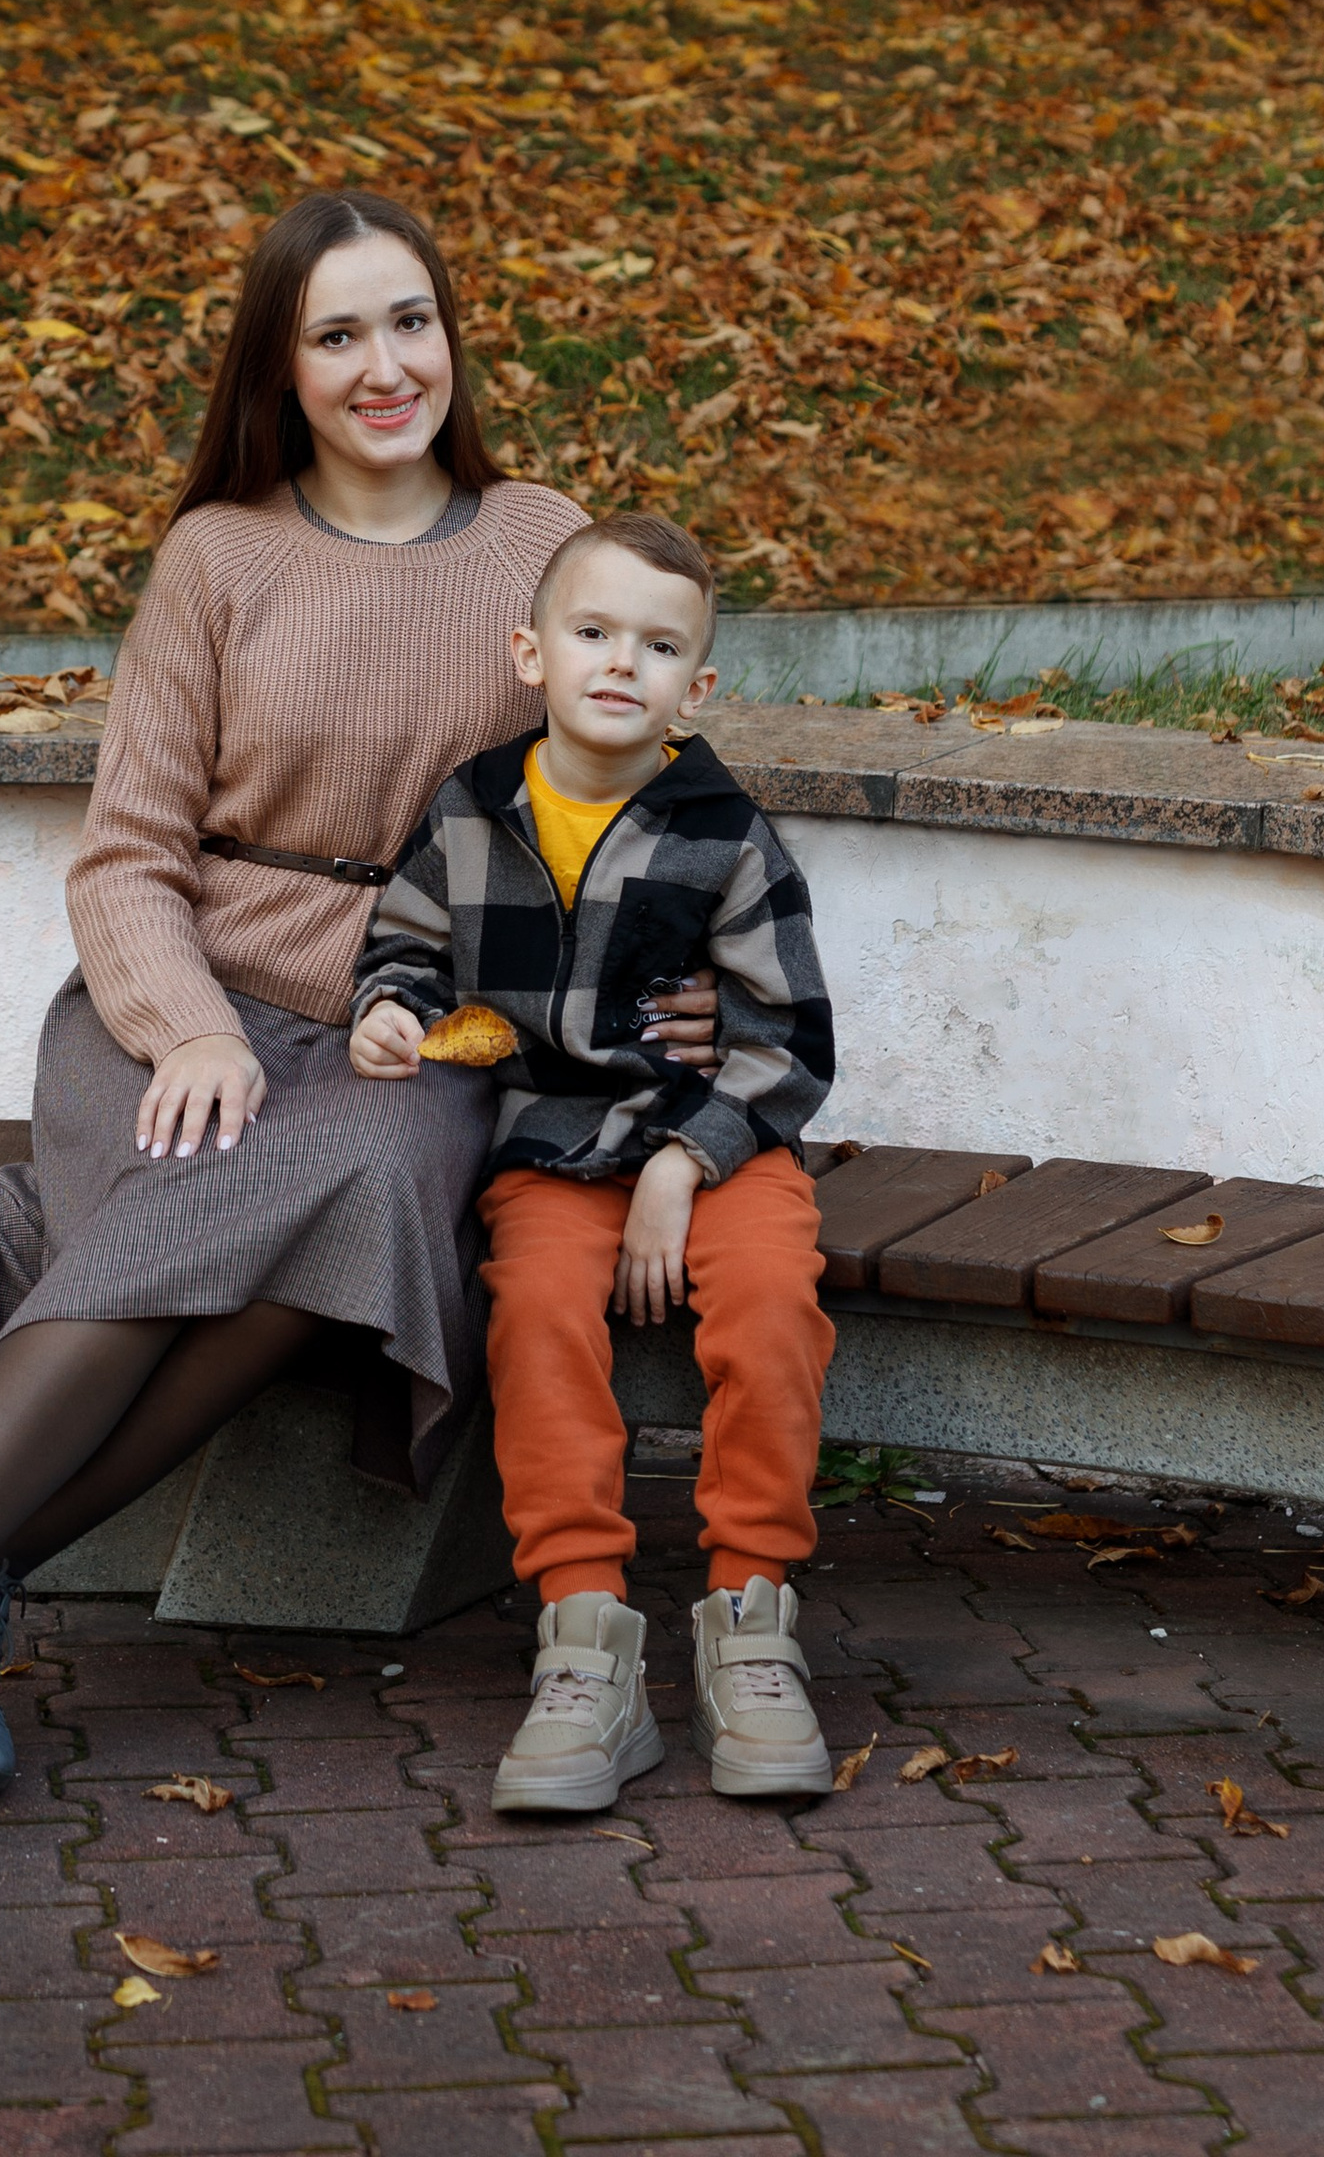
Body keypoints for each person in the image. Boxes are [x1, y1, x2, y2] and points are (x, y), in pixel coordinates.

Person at [0, 190, 723, 1892]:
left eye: (410, 320)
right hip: (179, 1003)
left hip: (416, 1034)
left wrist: (670, 977)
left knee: (368, 1187)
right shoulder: (220, 556)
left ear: (453, 333)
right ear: (283, 361)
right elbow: (128, 850)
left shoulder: (539, 542)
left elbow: (637, 783)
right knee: (184, 1190)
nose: (384, 364)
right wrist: (185, 1025)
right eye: (337, 334)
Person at [350, 507, 840, 1812]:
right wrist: (391, 1010)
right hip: (553, 1144)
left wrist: (687, 1160)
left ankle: (752, 1620)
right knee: (537, 1318)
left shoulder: (721, 832)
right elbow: (402, 940)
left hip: (723, 1140)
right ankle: (585, 1644)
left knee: (776, 1305)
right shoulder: (476, 809)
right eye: (593, 632)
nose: (622, 662)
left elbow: (790, 1036)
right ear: (532, 653)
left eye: (659, 644)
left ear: (700, 684)